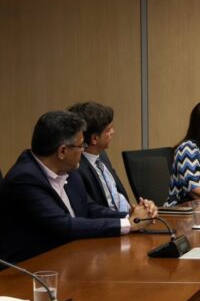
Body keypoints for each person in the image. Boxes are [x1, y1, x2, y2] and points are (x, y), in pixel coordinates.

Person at [0, 111, 156, 264]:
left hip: (70, 259)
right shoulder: (25, 179)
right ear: (62, 151)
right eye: (81, 146)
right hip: (29, 271)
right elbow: (65, 225)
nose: (83, 151)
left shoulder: (67, 168)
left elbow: (88, 208)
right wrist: (130, 223)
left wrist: (131, 215)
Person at [68, 102, 131, 213]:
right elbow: (91, 211)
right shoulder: (76, 168)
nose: (113, 132)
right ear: (95, 139)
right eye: (108, 129)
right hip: (110, 224)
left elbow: (116, 195)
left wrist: (137, 209)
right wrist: (128, 219)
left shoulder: (101, 155)